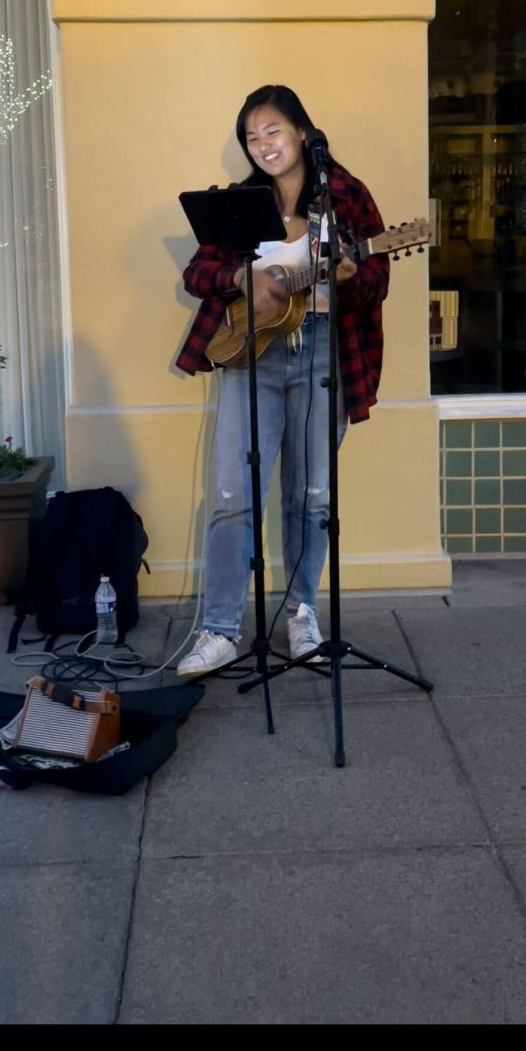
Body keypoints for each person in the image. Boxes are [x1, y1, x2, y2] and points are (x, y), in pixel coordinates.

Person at [175, 85, 390, 678]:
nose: (263, 144)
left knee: (312, 495)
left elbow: (378, 280)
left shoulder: (343, 194)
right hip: (254, 356)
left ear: (301, 131)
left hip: (325, 352)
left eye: (272, 130)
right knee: (231, 494)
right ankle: (218, 629)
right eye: (251, 136)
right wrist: (245, 276)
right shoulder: (242, 201)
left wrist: (349, 273)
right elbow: (200, 272)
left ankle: (300, 614)